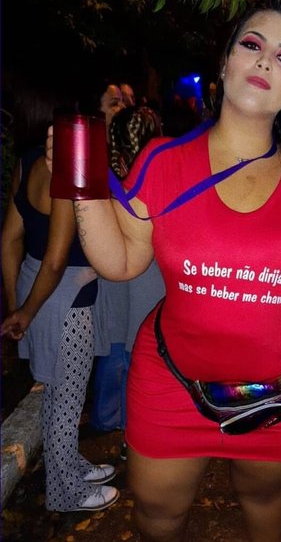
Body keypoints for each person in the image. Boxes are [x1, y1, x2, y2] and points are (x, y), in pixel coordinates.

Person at [47, 0, 281, 540]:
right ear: (225, 62)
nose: (265, 61)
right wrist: (82, 186)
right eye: (252, 44)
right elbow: (120, 262)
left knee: (265, 506)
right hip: (170, 384)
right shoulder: (163, 160)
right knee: (158, 517)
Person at [1, 79, 119, 512]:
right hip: (64, 298)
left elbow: (9, 240)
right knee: (65, 400)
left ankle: (68, 465)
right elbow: (55, 259)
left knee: (55, 392)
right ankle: (65, 492)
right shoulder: (64, 170)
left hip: (37, 288)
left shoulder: (27, 161)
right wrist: (26, 312)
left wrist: (17, 303)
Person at [90, 106, 165, 449]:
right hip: (148, 273)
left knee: (115, 345)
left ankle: (107, 417)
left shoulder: (106, 176)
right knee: (138, 351)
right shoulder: (161, 172)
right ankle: (129, 429)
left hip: (115, 268)